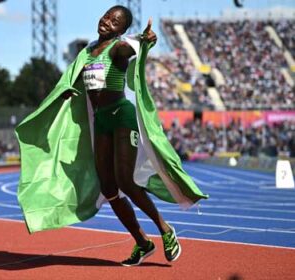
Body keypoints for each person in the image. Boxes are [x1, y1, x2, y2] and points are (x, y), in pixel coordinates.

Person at [15, 5, 207, 267]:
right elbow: (71, 80)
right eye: (106, 16)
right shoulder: (85, 53)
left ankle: (165, 230)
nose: (107, 21)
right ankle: (142, 242)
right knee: (108, 188)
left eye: (115, 21)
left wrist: (143, 39)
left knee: (126, 182)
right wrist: (66, 91)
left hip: (122, 117)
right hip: (102, 120)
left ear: (122, 30)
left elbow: (129, 49)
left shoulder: (117, 48)